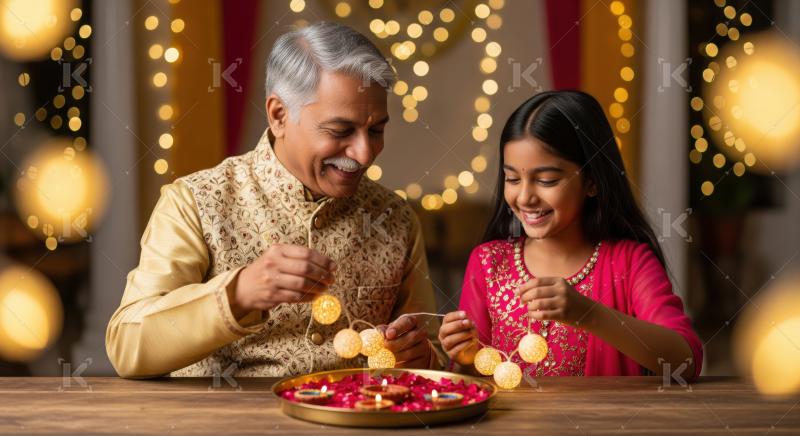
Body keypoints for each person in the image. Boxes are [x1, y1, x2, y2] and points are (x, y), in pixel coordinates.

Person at [106, 22, 443, 378]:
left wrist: (418, 356)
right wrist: (237, 294)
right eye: (340, 131)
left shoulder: (395, 217)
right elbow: (127, 349)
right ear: (279, 116)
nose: (363, 154)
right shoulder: (196, 202)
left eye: (375, 130)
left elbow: (429, 350)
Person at [438, 90, 702, 380]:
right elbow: (472, 381)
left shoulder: (629, 262)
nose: (524, 197)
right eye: (512, 179)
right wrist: (464, 357)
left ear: (592, 182)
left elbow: (684, 364)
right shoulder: (489, 263)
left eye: (546, 180)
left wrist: (588, 314)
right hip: (510, 427)